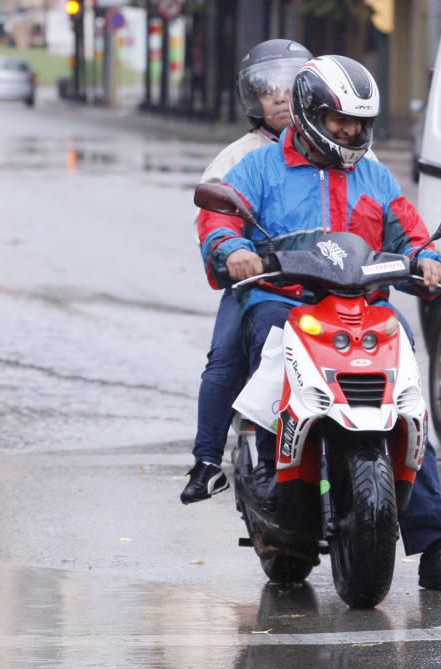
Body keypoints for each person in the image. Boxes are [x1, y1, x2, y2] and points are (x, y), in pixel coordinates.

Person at [197, 55, 441, 592]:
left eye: (359, 123)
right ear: (308, 114)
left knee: (406, 394)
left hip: (362, 307)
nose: (350, 132)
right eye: (339, 120)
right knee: (267, 339)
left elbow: (410, 233)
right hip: (285, 301)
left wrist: (429, 259)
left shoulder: (373, 173)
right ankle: (260, 463)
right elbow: (218, 218)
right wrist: (232, 249)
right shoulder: (257, 170)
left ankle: (436, 547)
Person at [180, 38, 313, 505]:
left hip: (332, 284)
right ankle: (209, 460)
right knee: (225, 359)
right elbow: (214, 217)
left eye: (289, 86)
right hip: (261, 285)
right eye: (267, 89)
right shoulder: (240, 158)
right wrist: (234, 251)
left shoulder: (350, 152)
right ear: (252, 99)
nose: (279, 97)